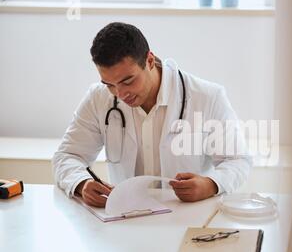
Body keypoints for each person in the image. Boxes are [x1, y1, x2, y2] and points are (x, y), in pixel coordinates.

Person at [52, 22, 251, 207]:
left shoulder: (207, 97)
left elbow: (237, 160)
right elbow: (68, 156)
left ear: (149, 60)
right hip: (126, 218)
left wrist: (210, 184)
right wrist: (81, 183)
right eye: (110, 85)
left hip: (188, 217)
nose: (120, 94)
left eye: (128, 81)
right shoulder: (98, 98)